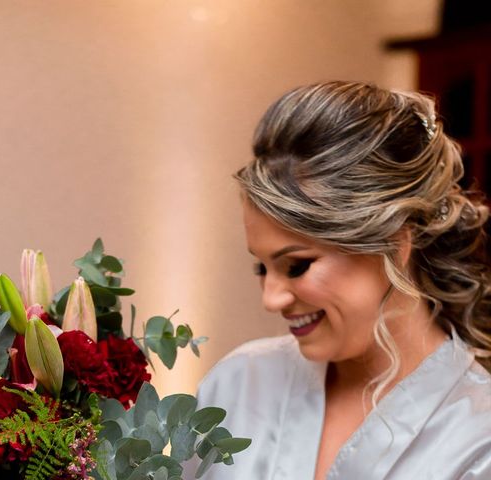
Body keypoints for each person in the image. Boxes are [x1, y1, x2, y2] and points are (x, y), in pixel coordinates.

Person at [189, 81, 491, 479]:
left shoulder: (478, 437)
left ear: (395, 241)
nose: (272, 298)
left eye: (296, 265)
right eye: (262, 267)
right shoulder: (238, 383)